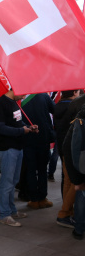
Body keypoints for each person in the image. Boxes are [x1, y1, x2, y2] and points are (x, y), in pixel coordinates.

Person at [0, 89, 38, 227]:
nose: (25, 95)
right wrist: (21, 131)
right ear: (14, 88)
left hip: (18, 147)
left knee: (14, 181)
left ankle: (12, 210)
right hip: (7, 148)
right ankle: (4, 214)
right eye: (23, 92)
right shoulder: (0, 103)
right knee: (6, 183)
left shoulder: (14, 102)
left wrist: (28, 127)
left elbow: (17, 121)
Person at [22, 93, 55, 209]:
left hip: (27, 138)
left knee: (30, 170)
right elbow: (54, 109)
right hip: (43, 137)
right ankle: (42, 198)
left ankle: (34, 199)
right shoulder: (43, 96)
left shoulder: (20, 98)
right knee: (42, 169)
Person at [55, 90, 80, 228]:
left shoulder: (58, 105)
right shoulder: (74, 106)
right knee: (76, 183)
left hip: (63, 147)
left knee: (68, 182)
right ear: (75, 92)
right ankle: (64, 213)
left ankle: (67, 211)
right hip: (72, 148)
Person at [63, 105, 85, 240]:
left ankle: (79, 229)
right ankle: (79, 228)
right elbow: (69, 148)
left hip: (82, 168)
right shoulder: (80, 122)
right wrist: (76, 179)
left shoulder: (80, 120)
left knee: (81, 197)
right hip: (82, 168)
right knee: (81, 196)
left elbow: (68, 147)